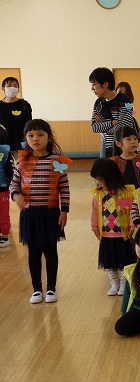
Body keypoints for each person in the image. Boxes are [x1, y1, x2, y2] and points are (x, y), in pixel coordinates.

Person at [10, 119, 71, 304]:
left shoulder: (57, 161)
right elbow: (14, 183)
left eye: (40, 134)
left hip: (51, 214)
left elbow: (64, 187)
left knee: (51, 251)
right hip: (29, 216)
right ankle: (37, 289)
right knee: (33, 253)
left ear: (49, 137)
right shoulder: (22, 160)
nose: (35, 139)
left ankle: (51, 288)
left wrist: (64, 210)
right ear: (26, 138)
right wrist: (16, 196)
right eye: (31, 135)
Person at [90, 158, 135, 296]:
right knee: (109, 261)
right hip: (106, 235)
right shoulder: (98, 195)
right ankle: (114, 283)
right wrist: (94, 227)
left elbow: (132, 211)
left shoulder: (126, 193)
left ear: (111, 177)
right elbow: (94, 212)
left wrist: (132, 227)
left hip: (123, 234)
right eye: (97, 180)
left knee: (124, 260)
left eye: (101, 180)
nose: (98, 183)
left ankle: (124, 283)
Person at [89, 68, 135, 158]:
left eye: (94, 84)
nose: (92, 88)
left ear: (105, 84)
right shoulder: (98, 103)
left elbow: (122, 128)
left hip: (123, 149)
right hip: (108, 148)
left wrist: (104, 127)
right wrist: (112, 122)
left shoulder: (125, 100)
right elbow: (94, 128)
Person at [0, 77, 32, 153]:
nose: (12, 88)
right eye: (9, 86)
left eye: (15, 86)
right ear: (3, 88)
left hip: (21, 143)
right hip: (3, 143)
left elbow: (29, 125)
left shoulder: (24, 105)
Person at [0, 141, 14, 247]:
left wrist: (13, 186)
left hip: (2, 189)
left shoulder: (4, 151)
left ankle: (4, 236)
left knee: (3, 213)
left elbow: (11, 171)